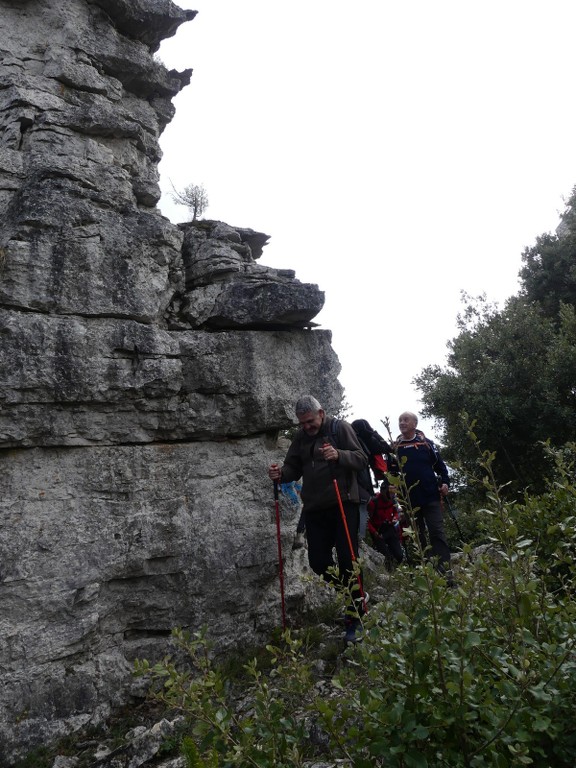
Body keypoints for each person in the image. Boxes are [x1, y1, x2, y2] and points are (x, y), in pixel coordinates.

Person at [268, 395, 369, 642]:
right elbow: (293, 468)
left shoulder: (339, 428)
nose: (307, 427)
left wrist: (339, 455)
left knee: (348, 559)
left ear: (321, 413)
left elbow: (361, 458)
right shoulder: (301, 438)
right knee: (317, 562)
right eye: (302, 423)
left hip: (343, 503)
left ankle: (355, 617)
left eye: (310, 421)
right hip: (314, 508)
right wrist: (280, 474)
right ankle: (354, 596)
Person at [393, 411, 453, 582]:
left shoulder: (427, 444)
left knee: (437, 532)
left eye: (405, 420)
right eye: (400, 420)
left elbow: (440, 467)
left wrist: (445, 483)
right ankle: (426, 574)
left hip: (431, 496)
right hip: (409, 501)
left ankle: (446, 575)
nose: (402, 423)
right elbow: (390, 473)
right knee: (417, 537)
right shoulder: (395, 448)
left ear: (414, 424)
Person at [367, 479, 405, 569]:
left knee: (399, 556)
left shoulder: (393, 501)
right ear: (383, 491)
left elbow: (395, 512)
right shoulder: (374, 502)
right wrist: (374, 533)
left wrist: (395, 518)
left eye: (393, 492)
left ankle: (398, 570)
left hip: (389, 528)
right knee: (386, 557)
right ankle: (389, 573)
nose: (392, 495)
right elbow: (367, 521)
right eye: (390, 492)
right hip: (378, 531)